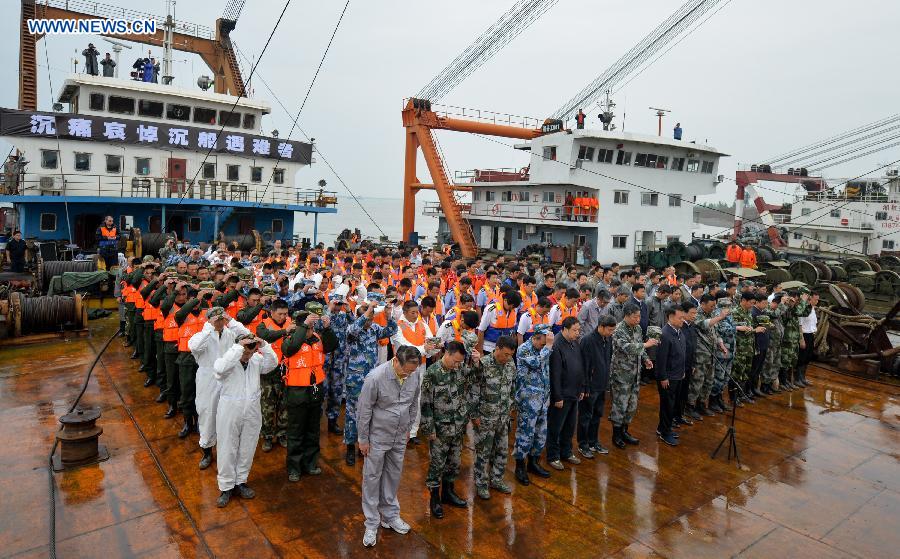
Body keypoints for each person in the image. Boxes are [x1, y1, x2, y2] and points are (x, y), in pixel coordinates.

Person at [357, 345, 422, 548]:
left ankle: (390, 515)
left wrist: (409, 428)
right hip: (377, 436)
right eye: (407, 370)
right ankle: (372, 522)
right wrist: (363, 439)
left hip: (399, 436)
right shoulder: (375, 378)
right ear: (396, 361)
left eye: (413, 370)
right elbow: (364, 410)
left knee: (393, 475)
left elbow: (413, 403)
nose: (410, 374)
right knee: (372, 477)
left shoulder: (414, 374)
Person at [211, 332, 277, 507]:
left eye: (250, 351)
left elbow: (273, 363)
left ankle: (240, 481)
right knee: (227, 448)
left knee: (247, 447)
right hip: (230, 410)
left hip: (252, 410)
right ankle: (226, 487)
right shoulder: (226, 361)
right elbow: (219, 369)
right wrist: (239, 347)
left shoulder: (256, 360)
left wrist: (263, 345)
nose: (248, 355)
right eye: (245, 352)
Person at [281, 302, 339, 482]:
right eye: (307, 325)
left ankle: (310, 463)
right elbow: (289, 350)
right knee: (296, 430)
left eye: (312, 325)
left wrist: (328, 328)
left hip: (315, 390)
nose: (311, 328)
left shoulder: (318, 338)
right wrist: (303, 326)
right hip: (297, 391)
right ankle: (294, 468)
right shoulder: (291, 338)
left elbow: (332, 346)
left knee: (313, 429)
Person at [188, 306, 251, 469]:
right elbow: (194, 347)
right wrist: (209, 326)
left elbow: (247, 334)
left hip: (227, 378)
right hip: (208, 380)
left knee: (229, 415)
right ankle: (207, 452)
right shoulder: (202, 335)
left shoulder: (230, 333)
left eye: (222, 319)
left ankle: (229, 451)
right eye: (217, 319)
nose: (220, 322)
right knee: (207, 414)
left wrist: (231, 320)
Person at [420, 341, 475, 517]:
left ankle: (448, 493)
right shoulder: (433, 373)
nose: (458, 365)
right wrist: (429, 429)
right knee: (437, 464)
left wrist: (477, 362)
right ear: (447, 354)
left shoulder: (459, 369)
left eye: (461, 362)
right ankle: (435, 498)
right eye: (456, 361)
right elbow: (425, 403)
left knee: (454, 463)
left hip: (458, 426)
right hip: (440, 429)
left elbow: (475, 377)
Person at [343, 297, 397, 465]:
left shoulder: (374, 328)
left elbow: (391, 330)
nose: (370, 321)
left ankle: (363, 443)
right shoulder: (353, 328)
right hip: (355, 379)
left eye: (372, 317)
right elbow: (354, 328)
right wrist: (367, 312)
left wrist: (389, 314)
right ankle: (350, 447)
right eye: (368, 318)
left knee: (368, 413)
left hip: (371, 378)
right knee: (352, 413)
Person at [470, 335, 518, 499]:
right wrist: (475, 415)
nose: (508, 358)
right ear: (496, 348)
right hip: (485, 418)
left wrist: (511, 405)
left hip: (503, 418)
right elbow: (474, 391)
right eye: (505, 354)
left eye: (511, 355)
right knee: (483, 453)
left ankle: (496, 479)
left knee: (502, 451)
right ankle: (481, 484)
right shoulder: (483, 364)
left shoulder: (510, 364)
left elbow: (512, 386)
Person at [609, 304, 657, 449]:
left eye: (639, 316)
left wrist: (646, 358)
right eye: (635, 316)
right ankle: (616, 435)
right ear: (627, 315)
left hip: (635, 374)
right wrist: (647, 344)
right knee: (620, 406)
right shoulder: (618, 330)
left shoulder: (637, 328)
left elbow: (640, 348)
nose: (638, 319)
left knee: (632, 406)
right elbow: (628, 347)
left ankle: (625, 431)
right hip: (621, 375)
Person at [513, 324, 552, 485]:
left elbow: (546, 370)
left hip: (542, 399)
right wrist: (548, 347)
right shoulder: (524, 349)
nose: (544, 346)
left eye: (546, 344)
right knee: (525, 434)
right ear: (535, 337)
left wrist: (548, 394)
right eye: (542, 343)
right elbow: (536, 363)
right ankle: (520, 466)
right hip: (528, 400)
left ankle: (534, 462)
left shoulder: (543, 349)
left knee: (540, 433)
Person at [546, 317, 585, 469]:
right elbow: (555, 374)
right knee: (556, 426)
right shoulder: (557, 345)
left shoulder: (575, 343)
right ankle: (553, 455)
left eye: (578, 330)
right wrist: (557, 396)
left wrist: (581, 388)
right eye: (574, 330)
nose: (577, 333)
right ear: (565, 329)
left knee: (570, 426)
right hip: (562, 395)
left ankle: (566, 451)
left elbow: (579, 366)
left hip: (574, 392)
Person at [255, 299, 293, 451]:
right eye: (280, 314)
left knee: (285, 405)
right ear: (272, 313)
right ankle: (268, 436)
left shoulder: (292, 323)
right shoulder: (263, 325)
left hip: (286, 371)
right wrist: (286, 331)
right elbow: (267, 336)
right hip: (268, 372)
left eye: (285, 314)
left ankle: (283, 433)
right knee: (267, 406)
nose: (283, 317)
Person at [577, 314, 615, 458]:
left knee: (597, 415)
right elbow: (584, 366)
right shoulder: (588, 341)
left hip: (601, 384)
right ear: (601, 327)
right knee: (585, 416)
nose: (611, 333)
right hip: (590, 386)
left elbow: (608, 359)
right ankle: (583, 444)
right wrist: (585, 387)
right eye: (609, 330)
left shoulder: (608, 339)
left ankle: (593, 442)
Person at [655, 306, 686, 446]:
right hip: (668, 377)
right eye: (680, 318)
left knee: (672, 404)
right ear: (671, 317)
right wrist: (663, 377)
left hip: (678, 374)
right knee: (667, 405)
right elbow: (661, 359)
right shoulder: (665, 334)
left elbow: (681, 353)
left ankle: (663, 427)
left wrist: (682, 369)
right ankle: (664, 433)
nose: (683, 320)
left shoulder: (679, 331)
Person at [796, 292, 819, 387]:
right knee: (802, 358)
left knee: (808, 357)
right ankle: (798, 379)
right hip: (804, 335)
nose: (817, 301)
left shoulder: (812, 309)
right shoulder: (804, 308)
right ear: (810, 299)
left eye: (818, 299)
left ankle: (803, 378)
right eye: (816, 299)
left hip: (810, 335)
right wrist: (801, 339)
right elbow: (800, 324)